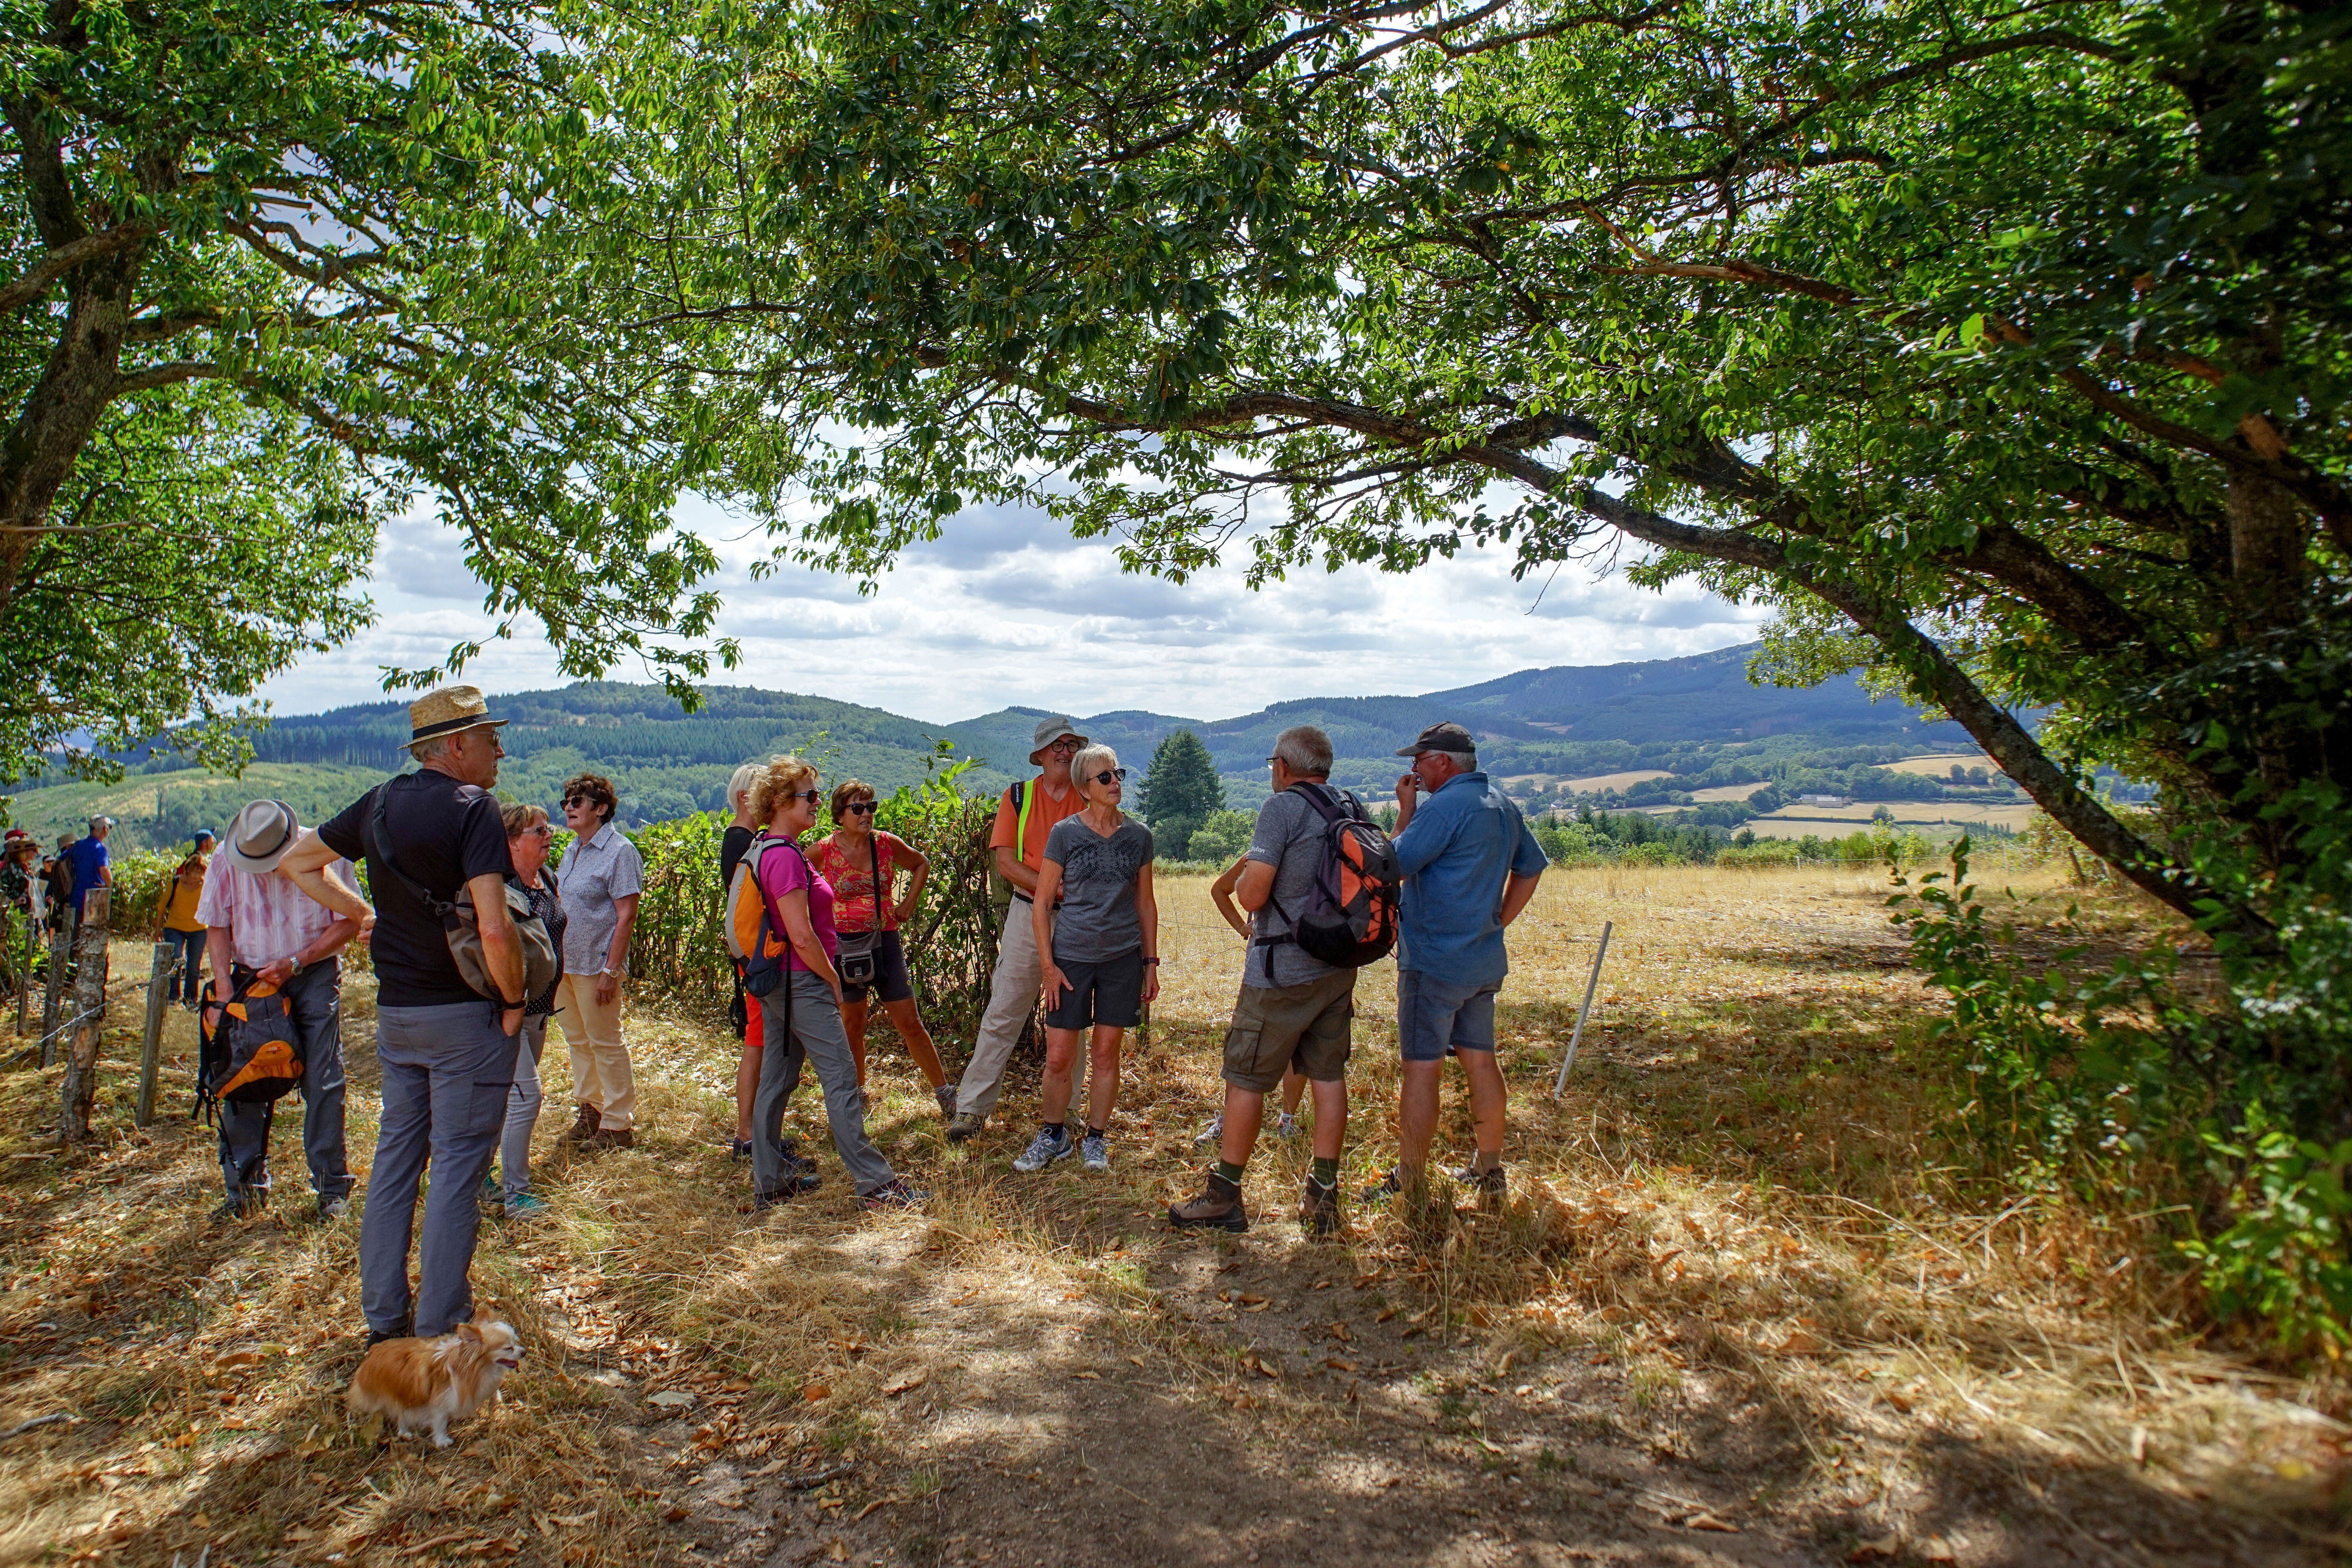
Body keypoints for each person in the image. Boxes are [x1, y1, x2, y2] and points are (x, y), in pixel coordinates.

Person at [282, 683, 527, 1349]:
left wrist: (364, 914)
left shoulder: (382, 802)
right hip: (464, 1018)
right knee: (456, 1167)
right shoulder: (474, 809)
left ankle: (383, 1319)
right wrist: (513, 1002)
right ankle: (440, 1325)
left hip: (399, 1015)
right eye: (488, 738)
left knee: (395, 1161)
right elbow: (495, 927)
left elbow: (299, 861)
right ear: (456, 747)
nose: (499, 750)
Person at [1171, 726, 1359, 1234]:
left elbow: (1252, 897)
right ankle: (1323, 1198)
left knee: (1246, 1078)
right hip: (1338, 967)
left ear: (1282, 766)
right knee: (1328, 1078)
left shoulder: (1281, 809)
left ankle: (1225, 1195)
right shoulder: (1350, 804)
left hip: (1280, 971)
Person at [1369, 721, 1547, 1211]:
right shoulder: (1502, 805)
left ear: (1443, 762)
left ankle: (1410, 1180)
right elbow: (1531, 868)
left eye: (1419, 762)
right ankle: (1489, 1170)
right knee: (1480, 1059)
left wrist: (1405, 813)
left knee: (1422, 1070)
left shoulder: (1443, 808)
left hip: (1433, 963)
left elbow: (1391, 866)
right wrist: (1498, 922)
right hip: (1482, 961)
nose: (1414, 772)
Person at [742, 755, 924, 1211]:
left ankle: (770, 1179)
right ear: (783, 802)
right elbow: (801, 934)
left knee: (778, 1080)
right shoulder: (785, 857)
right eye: (810, 796)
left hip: (777, 981)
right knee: (842, 1079)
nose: (817, 803)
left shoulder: (765, 847)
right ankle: (876, 1184)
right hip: (802, 982)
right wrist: (832, 977)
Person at [198, 800, 364, 1222]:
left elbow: (351, 918)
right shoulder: (224, 859)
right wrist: (222, 989)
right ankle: (244, 1190)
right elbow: (216, 922)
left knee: (323, 1079)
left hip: (312, 973)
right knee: (241, 1076)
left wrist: (301, 960)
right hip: (249, 977)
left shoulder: (326, 852)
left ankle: (331, 1189)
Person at [945, 715, 1091, 1143]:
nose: (1065, 752)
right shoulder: (1017, 797)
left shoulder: (1089, 795)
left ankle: (1068, 1112)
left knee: (1072, 1020)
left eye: (1071, 745)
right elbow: (1005, 863)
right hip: (1029, 915)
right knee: (1004, 1010)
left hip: (1078, 918)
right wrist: (1052, 887)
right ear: (1041, 756)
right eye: (1057, 746)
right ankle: (971, 1109)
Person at [1013, 743, 1157, 1175]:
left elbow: (1146, 903)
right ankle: (1053, 1134)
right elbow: (1041, 904)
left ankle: (1095, 1138)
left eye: (1118, 774)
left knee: (1107, 1053)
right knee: (1059, 1056)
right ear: (1084, 788)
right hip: (1071, 958)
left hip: (1122, 959)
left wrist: (1149, 963)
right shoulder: (1066, 834)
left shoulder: (1140, 836)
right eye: (1105, 778)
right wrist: (1048, 966)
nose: (1116, 783)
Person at [809, 780, 953, 1118]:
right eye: (858, 808)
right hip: (842, 946)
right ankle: (857, 1092)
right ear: (840, 814)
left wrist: (909, 904)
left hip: (883, 941)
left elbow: (921, 864)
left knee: (910, 1022)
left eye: (871, 807)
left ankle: (945, 1093)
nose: (867, 814)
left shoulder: (886, 844)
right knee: (853, 1022)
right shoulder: (823, 851)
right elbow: (794, 883)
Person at [551, 773, 643, 1150]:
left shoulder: (620, 851)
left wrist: (611, 970)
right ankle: (591, 1109)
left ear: (601, 809)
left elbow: (627, 915)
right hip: (565, 964)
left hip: (595, 966)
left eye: (577, 801)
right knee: (577, 1039)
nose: (569, 808)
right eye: (566, 802)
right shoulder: (572, 849)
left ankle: (618, 1124)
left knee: (605, 1041)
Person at [483, 803, 564, 1221]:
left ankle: (480, 1177)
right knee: (526, 1096)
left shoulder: (545, 878)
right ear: (513, 841)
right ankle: (517, 1195)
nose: (549, 834)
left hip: (539, 1009)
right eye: (539, 830)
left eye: (548, 828)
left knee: (502, 1097)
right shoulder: (500, 885)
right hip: (510, 1010)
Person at [1194, 853, 1307, 1148]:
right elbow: (1220, 890)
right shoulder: (1258, 855)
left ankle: (1287, 1120)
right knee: (1245, 1048)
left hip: (1303, 964)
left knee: (1294, 1046)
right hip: (1264, 967)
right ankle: (1233, 1120)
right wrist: (1242, 928)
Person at [719, 761, 766, 1158]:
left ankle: (754, 1131)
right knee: (757, 1041)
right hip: (754, 956)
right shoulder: (741, 840)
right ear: (744, 797)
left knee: (760, 1041)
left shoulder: (743, 837)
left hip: (751, 955)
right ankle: (748, 1133)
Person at [162, 831, 215, 1008]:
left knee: (194, 966)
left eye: (201, 874)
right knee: (177, 960)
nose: (198, 877)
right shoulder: (179, 879)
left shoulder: (206, 883)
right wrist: (157, 930)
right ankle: (173, 997)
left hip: (199, 929)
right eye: (195, 873)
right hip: (175, 926)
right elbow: (162, 906)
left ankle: (191, 1000)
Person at [64, 815, 112, 919]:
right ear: (105, 829)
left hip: (77, 898)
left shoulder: (78, 845)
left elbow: (60, 859)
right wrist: (111, 887)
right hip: (93, 901)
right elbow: (104, 871)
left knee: (76, 933)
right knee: (92, 933)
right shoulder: (100, 849)